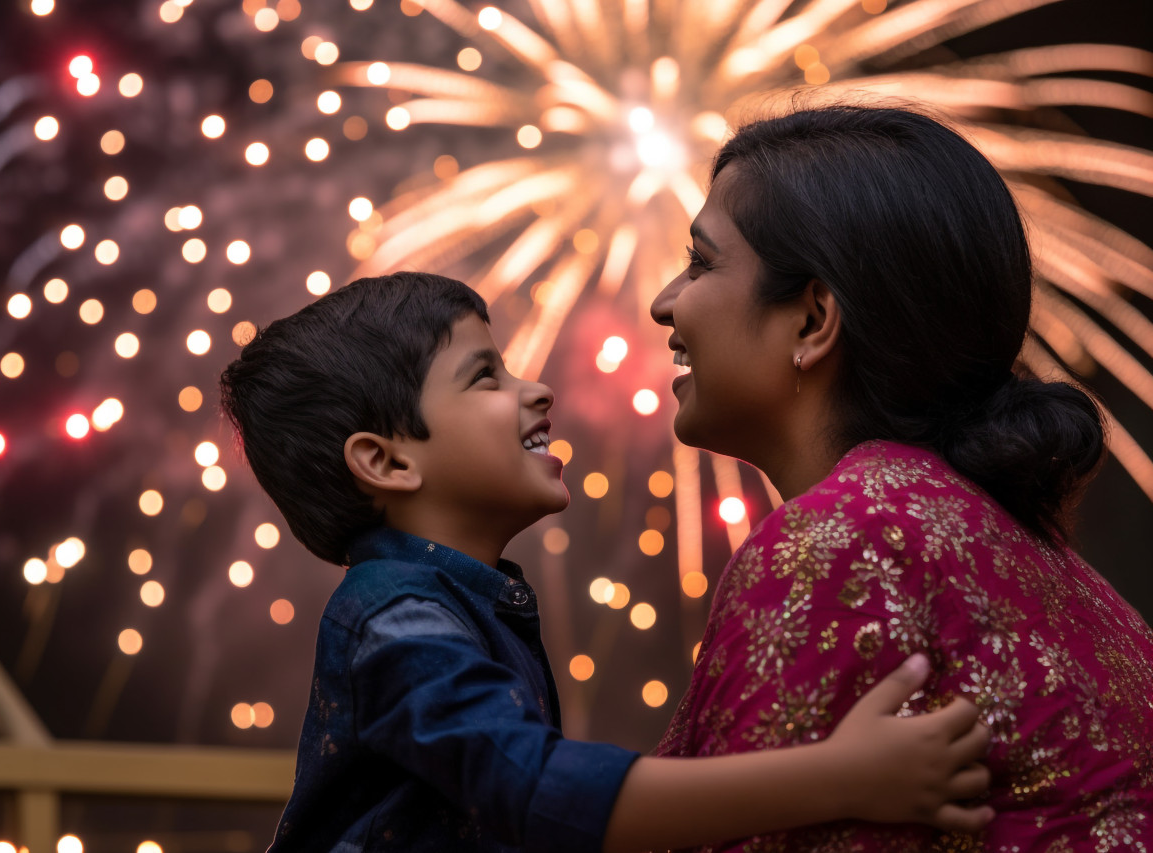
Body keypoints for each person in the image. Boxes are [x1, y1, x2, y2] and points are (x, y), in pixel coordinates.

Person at [220, 271, 993, 853]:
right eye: (485, 376)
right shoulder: (396, 619)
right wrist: (842, 778)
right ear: (385, 462)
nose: (539, 390)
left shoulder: (455, 606)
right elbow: (537, 787)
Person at [650, 104, 1153, 851]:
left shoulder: (840, 543)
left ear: (813, 320)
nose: (664, 301)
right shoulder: (1037, 557)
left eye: (700, 262)